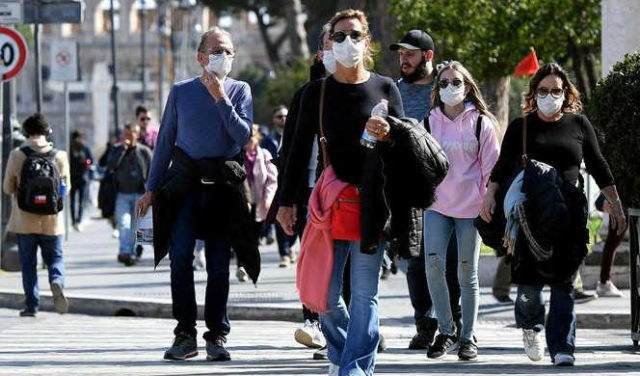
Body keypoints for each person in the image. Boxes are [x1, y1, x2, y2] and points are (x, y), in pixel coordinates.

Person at [279, 9, 410, 375]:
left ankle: (355, 367)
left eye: (354, 35)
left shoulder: (385, 87)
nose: (346, 42)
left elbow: (406, 148)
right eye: (339, 36)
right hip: (329, 204)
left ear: (367, 42)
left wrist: (390, 133)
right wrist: (287, 202)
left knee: (366, 293)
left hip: (375, 203)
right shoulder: (315, 93)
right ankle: (341, 352)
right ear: (328, 44)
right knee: (325, 293)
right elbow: (295, 150)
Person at [481, 62, 626, 366]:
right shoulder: (521, 127)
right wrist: (490, 195)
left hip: (569, 214)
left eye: (556, 90)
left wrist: (615, 201)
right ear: (533, 94)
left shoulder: (579, 125)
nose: (550, 96)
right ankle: (532, 326)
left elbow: (598, 165)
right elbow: (503, 165)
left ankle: (562, 346)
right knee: (530, 288)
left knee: (563, 283)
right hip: (530, 217)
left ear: (566, 93)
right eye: (543, 91)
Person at [137, 27, 257, 362]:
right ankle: (185, 334)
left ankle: (217, 335)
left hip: (222, 188)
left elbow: (243, 136)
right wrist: (150, 189)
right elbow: (165, 142)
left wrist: (221, 98)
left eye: (229, 51)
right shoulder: (180, 92)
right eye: (217, 50)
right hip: (184, 188)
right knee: (180, 260)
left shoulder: (240, 90)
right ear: (201, 57)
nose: (224, 56)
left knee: (219, 265)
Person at [389, 29, 463, 350]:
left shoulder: (446, 89)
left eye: (411, 54)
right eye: (401, 54)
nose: (404, 59)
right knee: (415, 259)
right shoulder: (394, 92)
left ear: (428, 56)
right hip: (408, 190)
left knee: (449, 260)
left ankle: (454, 321)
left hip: (449, 190)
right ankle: (425, 323)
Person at [422, 61, 500, 361]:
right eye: (443, 83)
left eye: (456, 82)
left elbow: (492, 168)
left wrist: (489, 198)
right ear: (436, 88)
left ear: (467, 87)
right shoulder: (428, 122)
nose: (449, 88)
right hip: (436, 206)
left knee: (467, 274)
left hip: (472, 208)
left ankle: (468, 337)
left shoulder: (481, 123)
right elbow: (422, 163)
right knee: (433, 268)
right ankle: (446, 330)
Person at [3, 113, 71, 317]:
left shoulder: (18, 154)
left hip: (25, 220)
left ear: (25, 133)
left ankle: (32, 305)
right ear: (47, 132)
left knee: (29, 263)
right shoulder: (60, 156)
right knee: (55, 258)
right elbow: (65, 189)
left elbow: (7, 187)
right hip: (53, 221)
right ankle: (57, 281)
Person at [107, 123, 152, 266]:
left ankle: (131, 253)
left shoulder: (144, 151)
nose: (126, 137)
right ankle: (125, 251)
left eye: (130, 133)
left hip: (140, 195)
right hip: (122, 194)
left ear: (136, 134)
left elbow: (152, 170)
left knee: (135, 228)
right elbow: (110, 166)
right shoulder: (117, 150)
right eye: (125, 134)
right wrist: (122, 151)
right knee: (124, 224)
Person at [243, 124, 278, 280]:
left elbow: (272, 180)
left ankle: (250, 265)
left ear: (256, 138)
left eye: (250, 138)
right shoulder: (237, 155)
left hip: (259, 202)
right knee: (242, 235)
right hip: (242, 203)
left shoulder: (264, 155)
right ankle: (242, 266)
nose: (248, 141)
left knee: (254, 237)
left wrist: (269, 198)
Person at [595, 193, 626, 297]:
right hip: (622, 204)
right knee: (612, 243)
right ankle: (604, 283)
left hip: (622, 203)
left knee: (612, 244)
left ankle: (604, 282)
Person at [69, 130, 94, 232]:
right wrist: (87, 163)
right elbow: (91, 160)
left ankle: (75, 221)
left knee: (74, 201)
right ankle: (77, 221)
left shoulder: (70, 147)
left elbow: (90, 160)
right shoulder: (84, 147)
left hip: (74, 177)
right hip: (82, 177)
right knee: (80, 201)